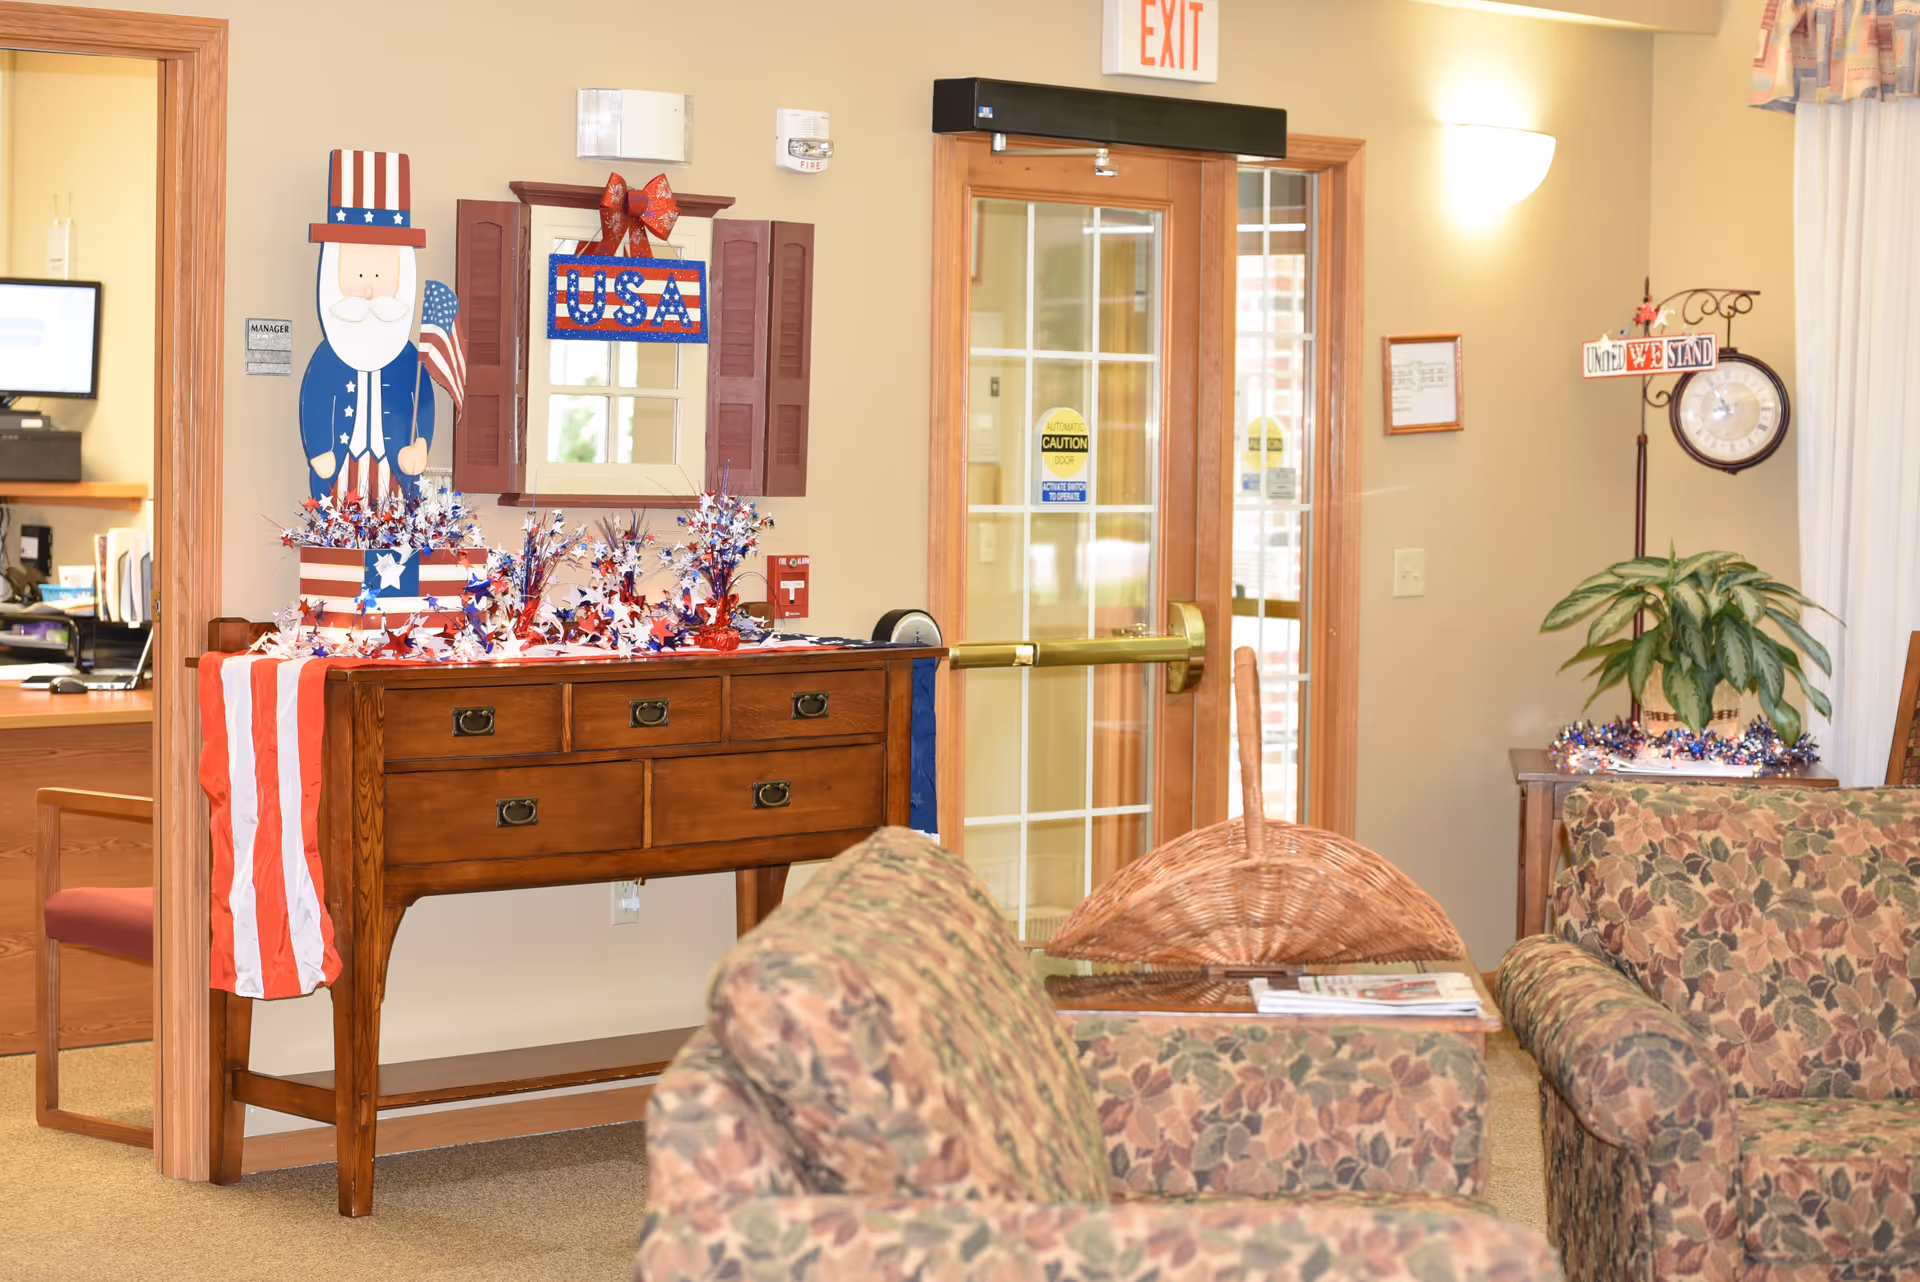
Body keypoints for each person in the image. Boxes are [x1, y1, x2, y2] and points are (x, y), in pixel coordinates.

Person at [299, 149, 434, 502]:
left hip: (395, 473)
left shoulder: (406, 355)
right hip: (341, 468)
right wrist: (319, 449)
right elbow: (315, 399)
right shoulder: (329, 355)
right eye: (358, 275)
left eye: (379, 276)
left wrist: (420, 443)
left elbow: (423, 404)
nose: (370, 288)